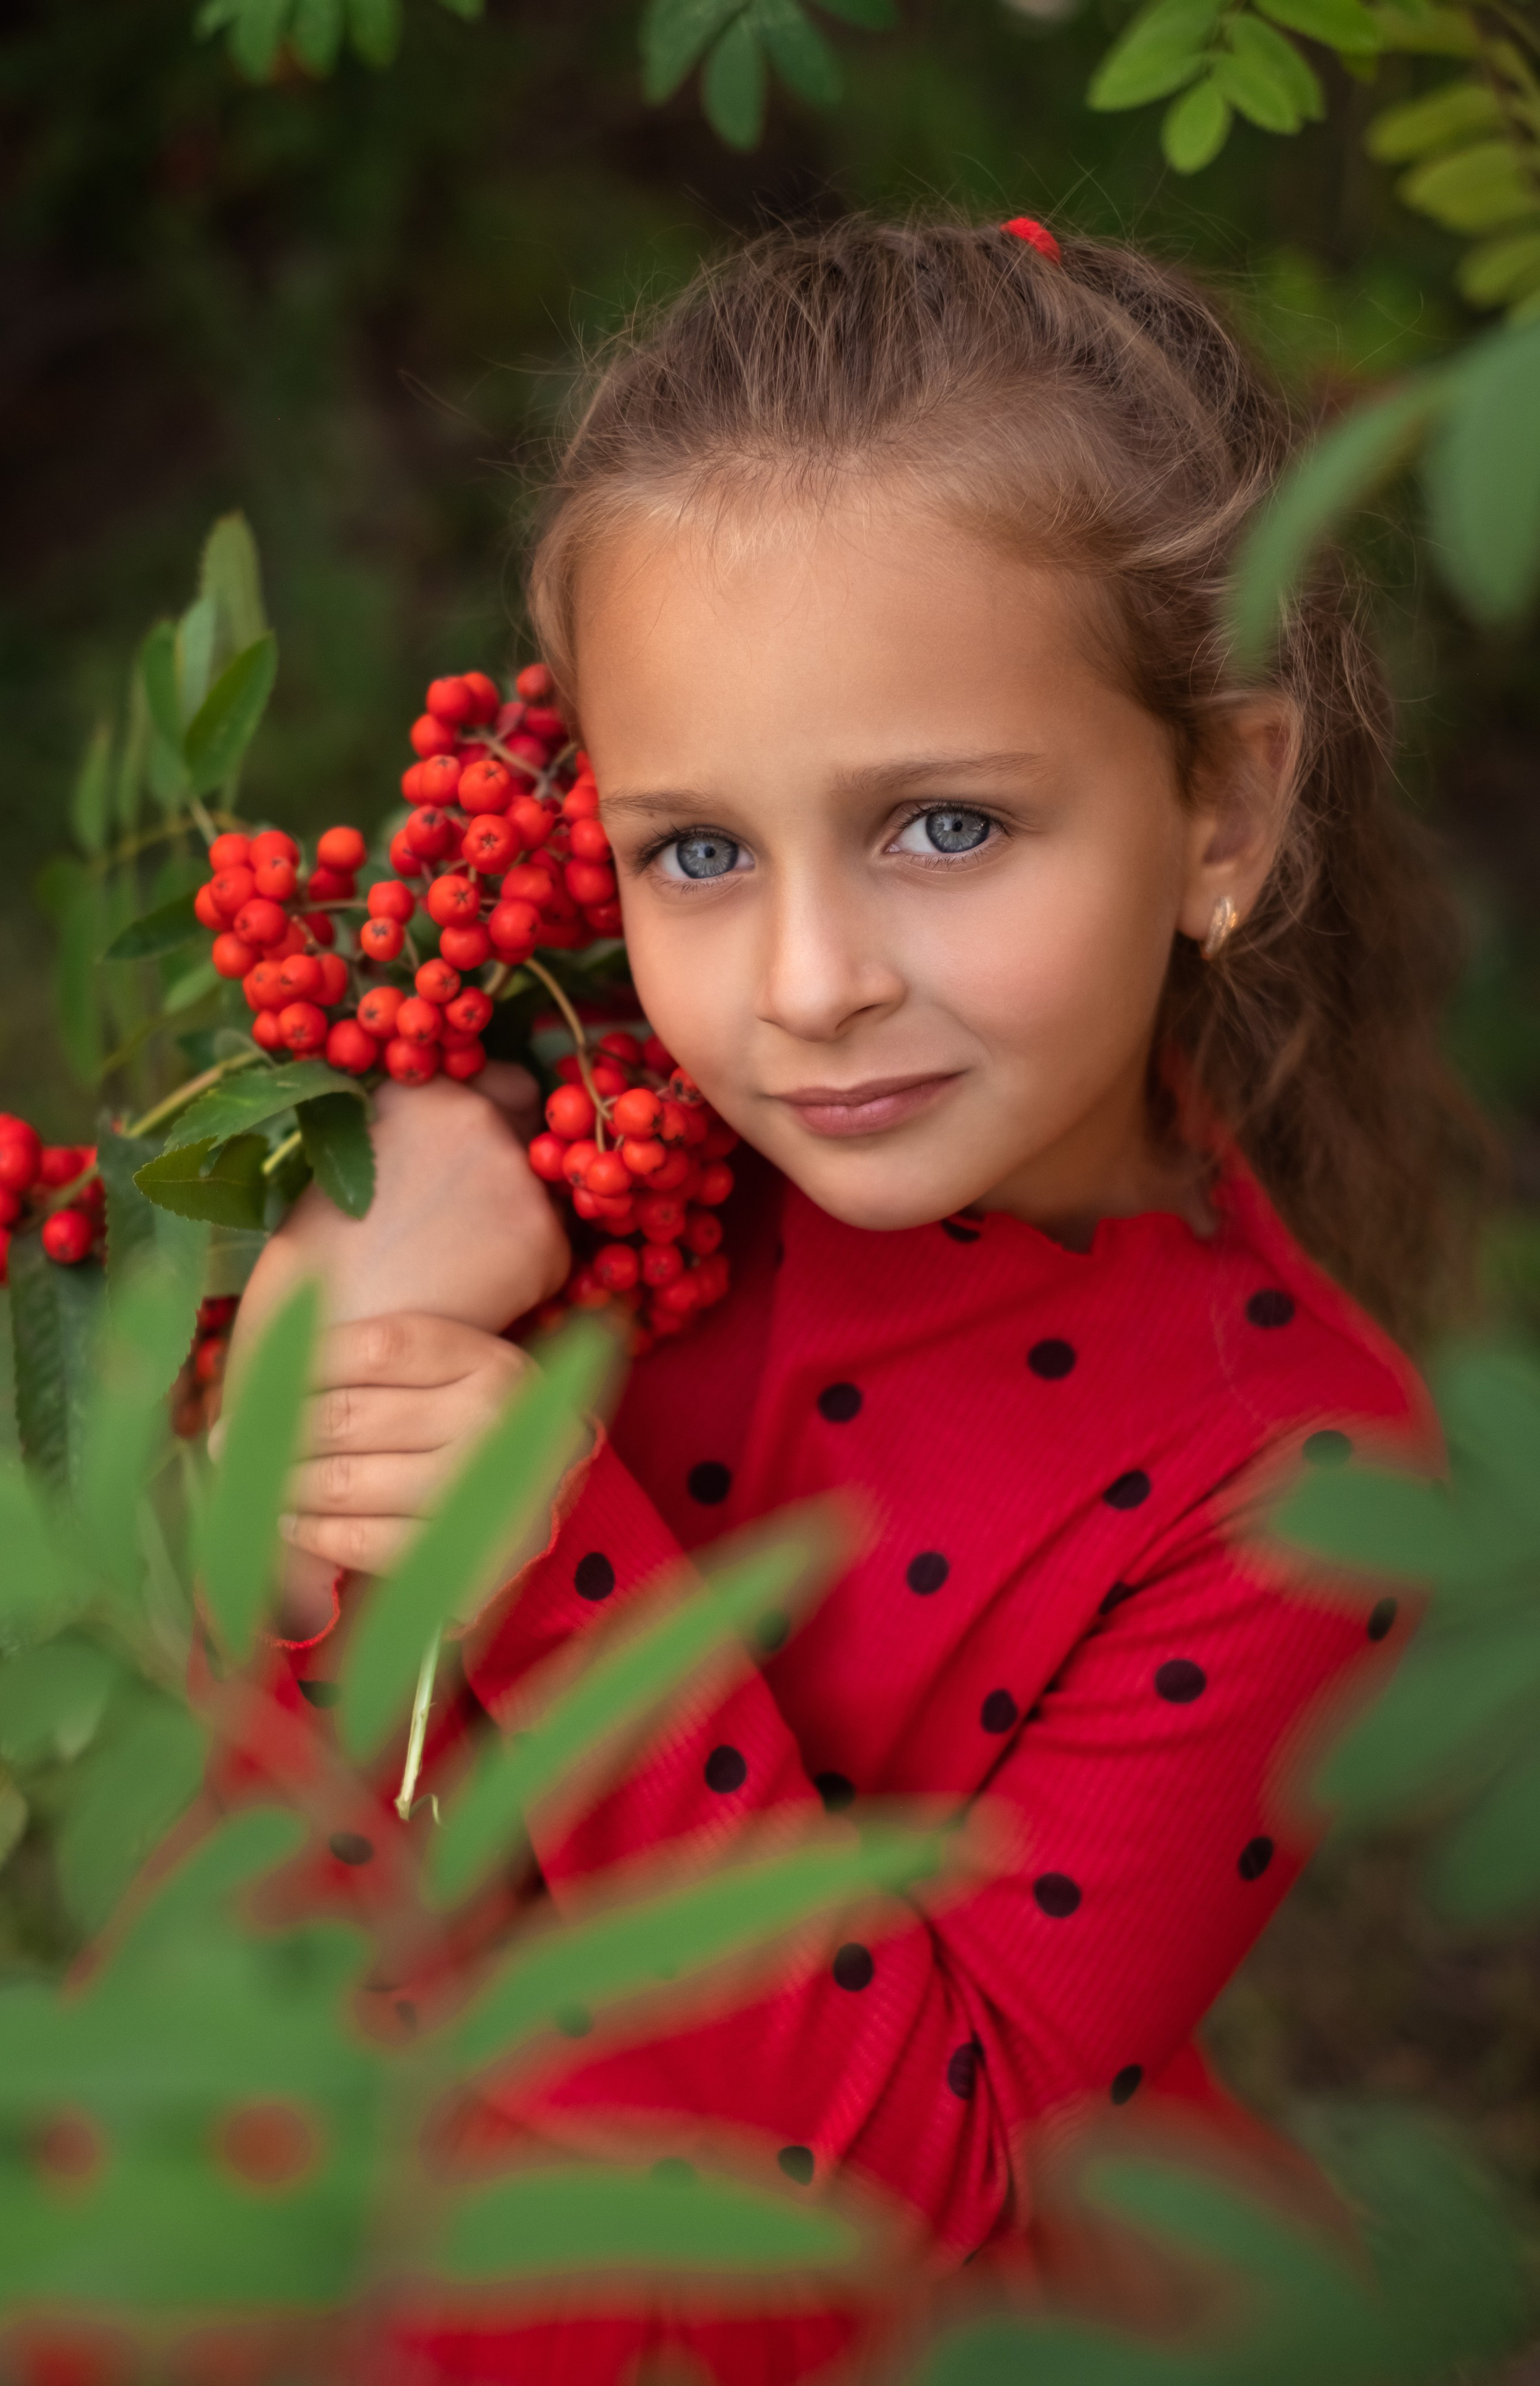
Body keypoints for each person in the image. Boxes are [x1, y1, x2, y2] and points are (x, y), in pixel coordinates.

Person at [226, 215, 1490, 2382]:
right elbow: (249, 1802)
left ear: (1223, 807)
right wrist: (285, 1382)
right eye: (697, 854)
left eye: (942, 828)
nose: (809, 988)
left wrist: (545, 1561)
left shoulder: (1294, 1481)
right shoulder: (561, 1134)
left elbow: (916, 2180)